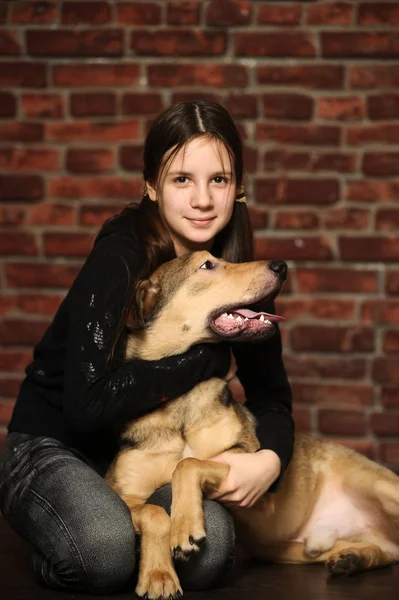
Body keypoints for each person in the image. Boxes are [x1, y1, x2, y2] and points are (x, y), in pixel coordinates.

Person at [0, 101, 294, 595]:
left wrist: (270, 461)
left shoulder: (233, 272)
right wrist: (206, 356)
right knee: (103, 551)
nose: (202, 199)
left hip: (141, 462)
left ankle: (117, 530)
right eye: (182, 180)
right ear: (151, 187)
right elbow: (87, 404)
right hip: (55, 447)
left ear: (238, 187)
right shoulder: (120, 257)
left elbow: (271, 397)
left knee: (212, 547)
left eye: (218, 180)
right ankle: (70, 541)